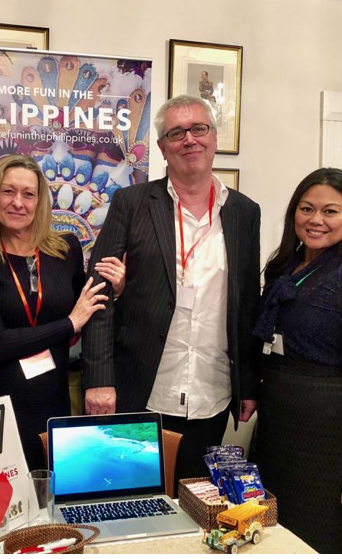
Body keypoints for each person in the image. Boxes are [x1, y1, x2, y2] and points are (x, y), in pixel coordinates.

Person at [82, 95, 262, 494]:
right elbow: (99, 294)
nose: (189, 139)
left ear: (214, 138)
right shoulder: (131, 203)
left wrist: (248, 384)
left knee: (196, 503)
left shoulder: (244, 212)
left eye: (199, 129)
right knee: (131, 500)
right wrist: (99, 380)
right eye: (176, 133)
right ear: (163, 148)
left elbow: (248, 301)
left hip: (211, 393)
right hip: (142, 388)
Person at [252, 168, 342, 553]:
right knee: (271, 533)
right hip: (277, 419)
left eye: (330, 211)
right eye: (306, 209)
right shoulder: (285, 266)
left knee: (315, 534)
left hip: (324, 425)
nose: (316, 220)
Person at [0, 155, 109, 471]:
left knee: (51, 495)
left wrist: (118, 288)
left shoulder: (66, 249)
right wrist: (68, 324)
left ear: (40, 202)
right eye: (8, 191)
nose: (18, 202)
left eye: (28, 194)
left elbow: (91, 307)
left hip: (52, 401)